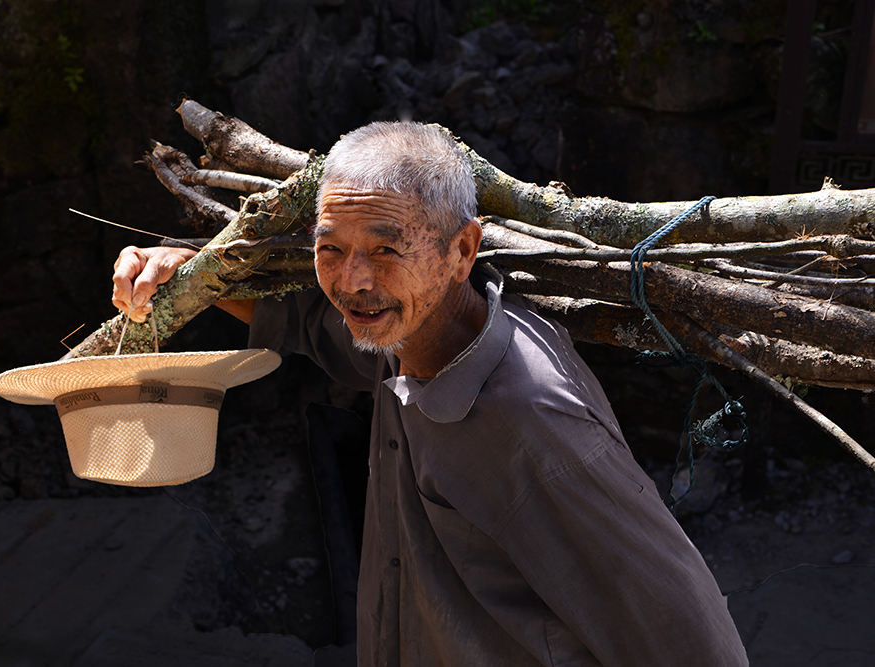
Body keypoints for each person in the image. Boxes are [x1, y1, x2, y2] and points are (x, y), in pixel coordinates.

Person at [112, 121, 749, 666]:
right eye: (330, 250)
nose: (352, 281)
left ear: (462, 249)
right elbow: (313, 328)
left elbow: (692, 642)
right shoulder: (412, 340)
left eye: (386, 249)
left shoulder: (531, 422)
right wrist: (183, 273)